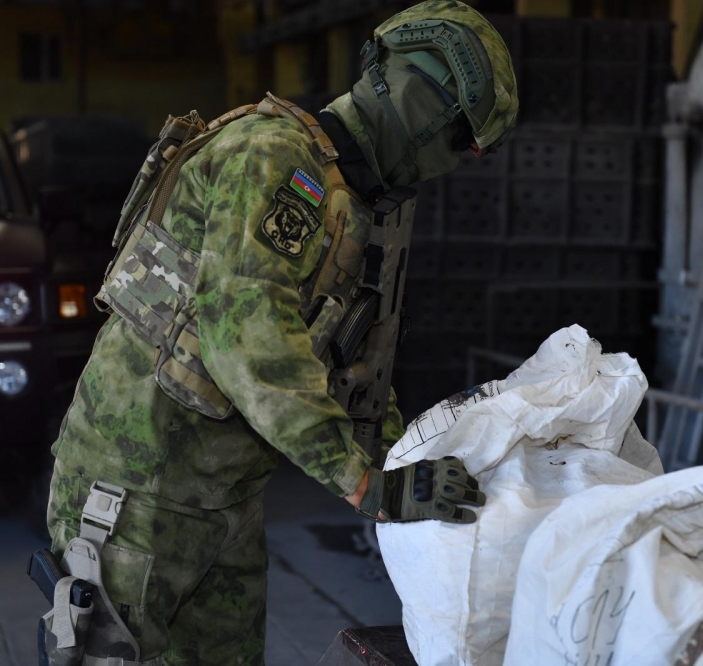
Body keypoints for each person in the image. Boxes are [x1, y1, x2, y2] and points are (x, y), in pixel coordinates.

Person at [42, 2, 519, 664]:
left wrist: (402, 465)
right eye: (461, 138)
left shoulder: (350, 202)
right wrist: (366, 484)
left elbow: (349, 363)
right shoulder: (273, 158)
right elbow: (249, 341)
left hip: (223, 499)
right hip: (137, 491)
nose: (458, 161)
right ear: (421, 102)